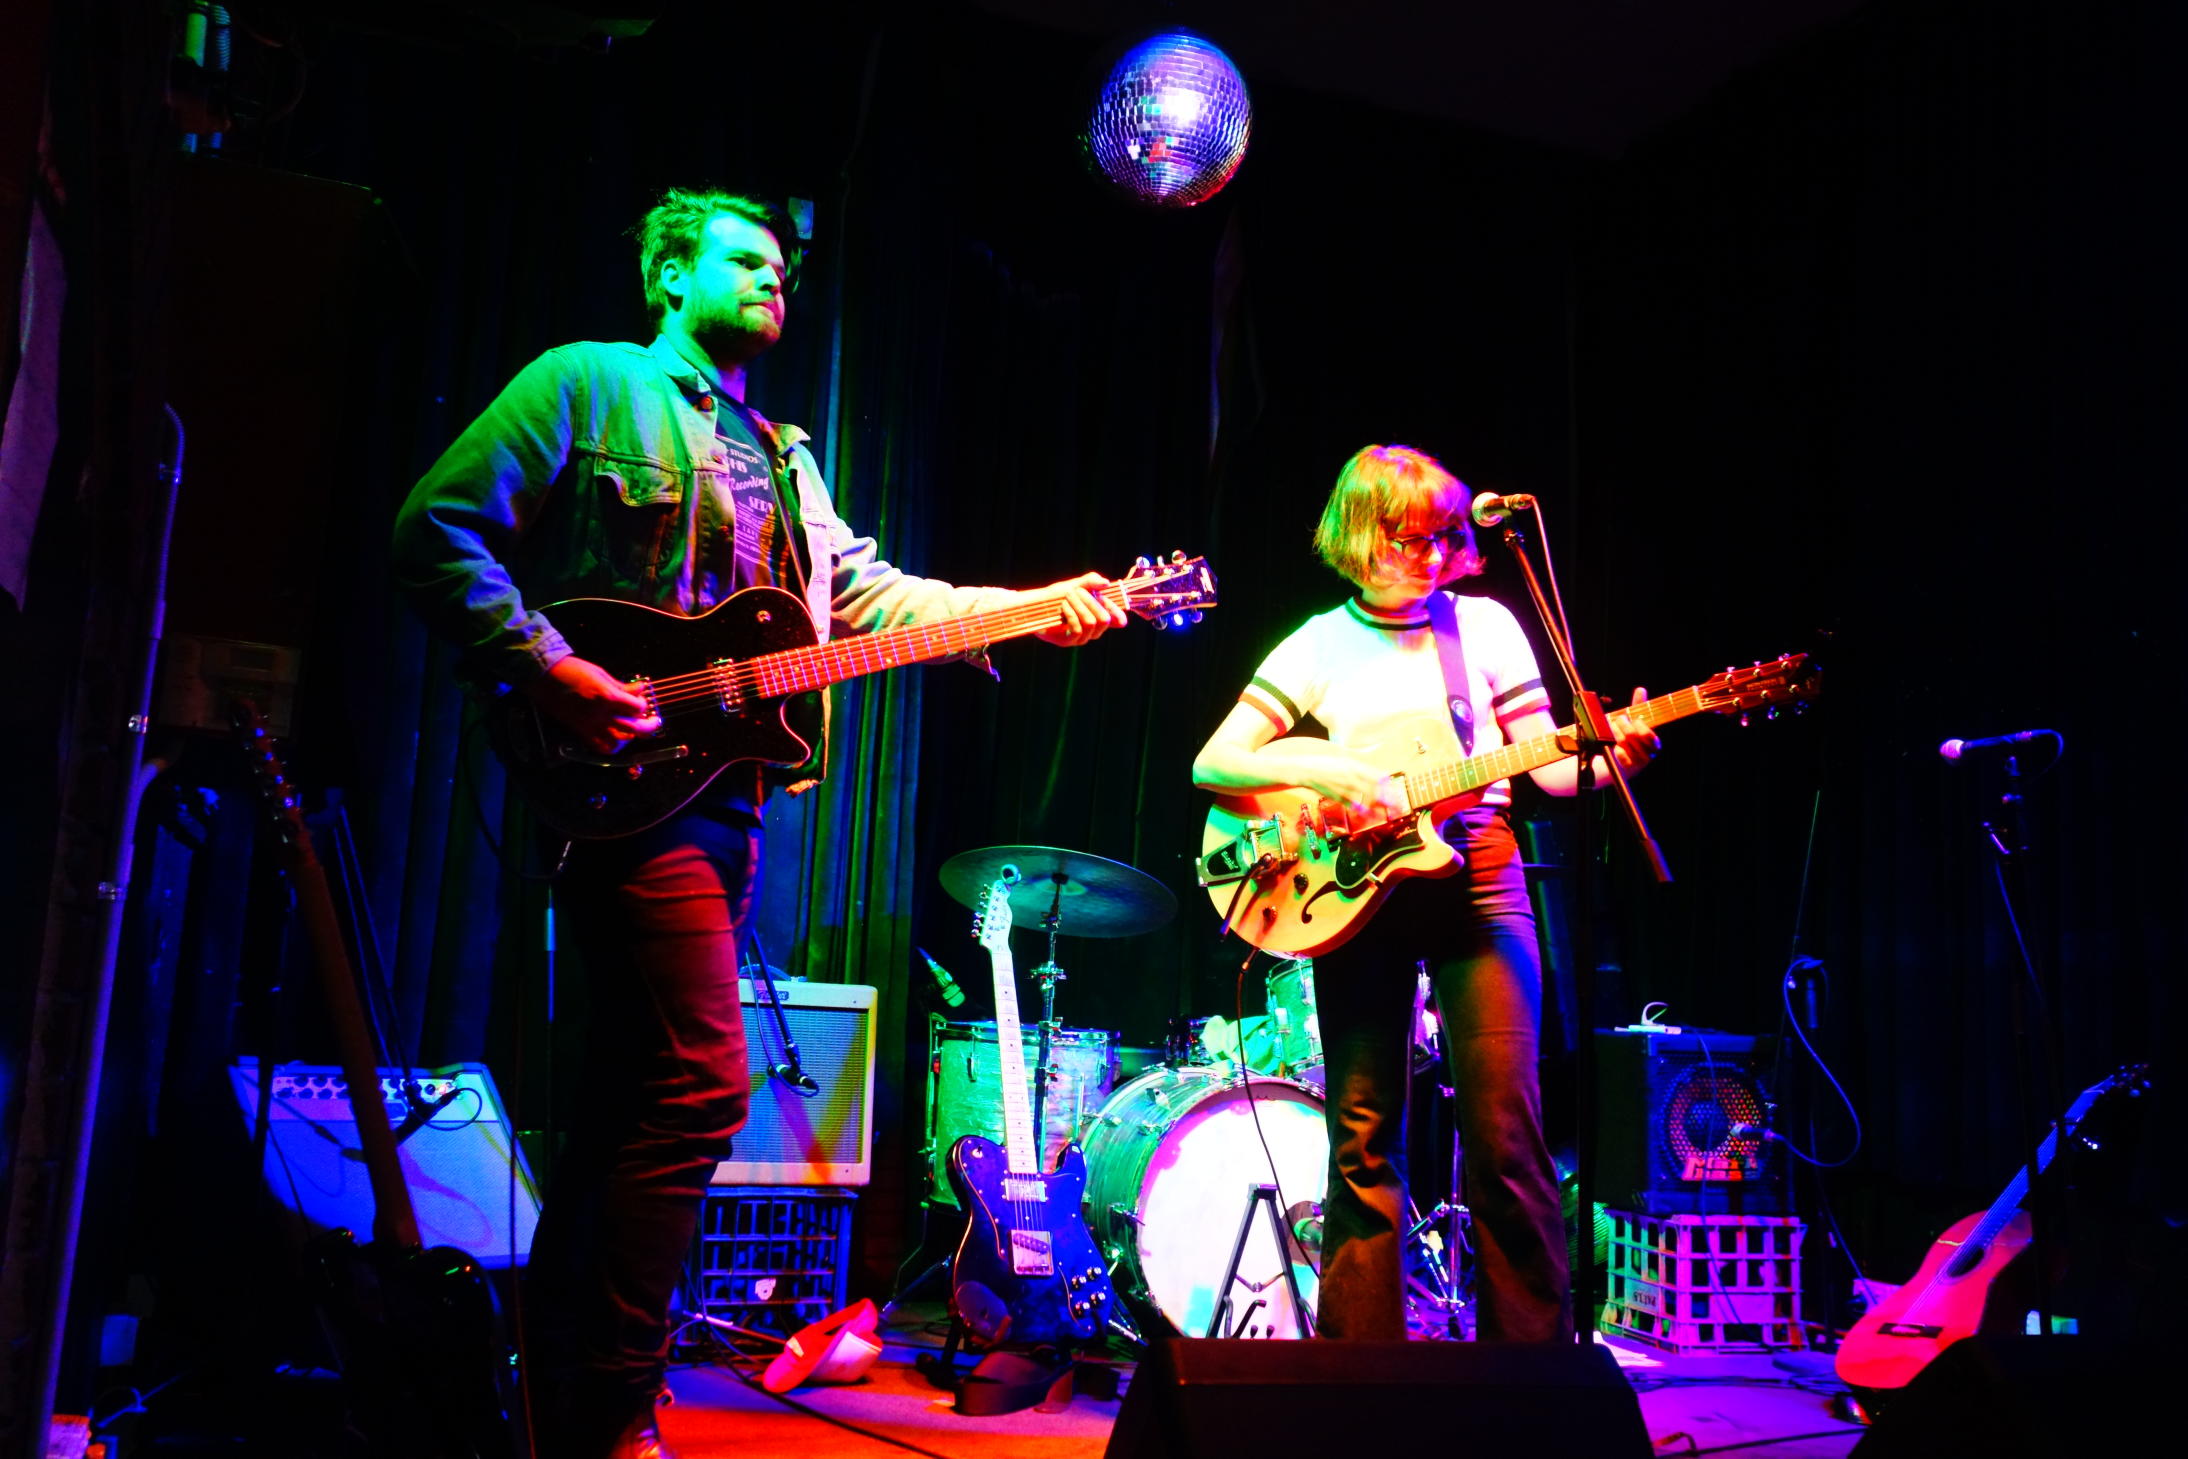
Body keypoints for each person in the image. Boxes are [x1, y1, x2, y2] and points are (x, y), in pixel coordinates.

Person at [391, 188, 1124, 1459]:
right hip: (618, 786)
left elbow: (867, 597)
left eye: (781, 268)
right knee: (698, 1083)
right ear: (668, 275)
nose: (772, 280)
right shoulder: (586, 383)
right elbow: (436, 529)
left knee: (630, 1097)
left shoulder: (784, 454)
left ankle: (559, 1393)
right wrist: (554, 667)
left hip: (722, 802)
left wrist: (1024, 607)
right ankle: (611, 1405)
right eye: (743, 260)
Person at [1190, 444, 1658, 1343]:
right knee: (1364, 1134)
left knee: (1507, 1125)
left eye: (1445, 537)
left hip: (1478, 868)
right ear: (1362, 536)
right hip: (1355, 888)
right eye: (1412, 539)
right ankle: (1359, 1371)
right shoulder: (1320, 641)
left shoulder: (1486, 626)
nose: (1435, 555)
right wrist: (1327, 770)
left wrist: (1616, 757)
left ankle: (1528, 1371)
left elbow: (1549, 767)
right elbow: (1215, 761)